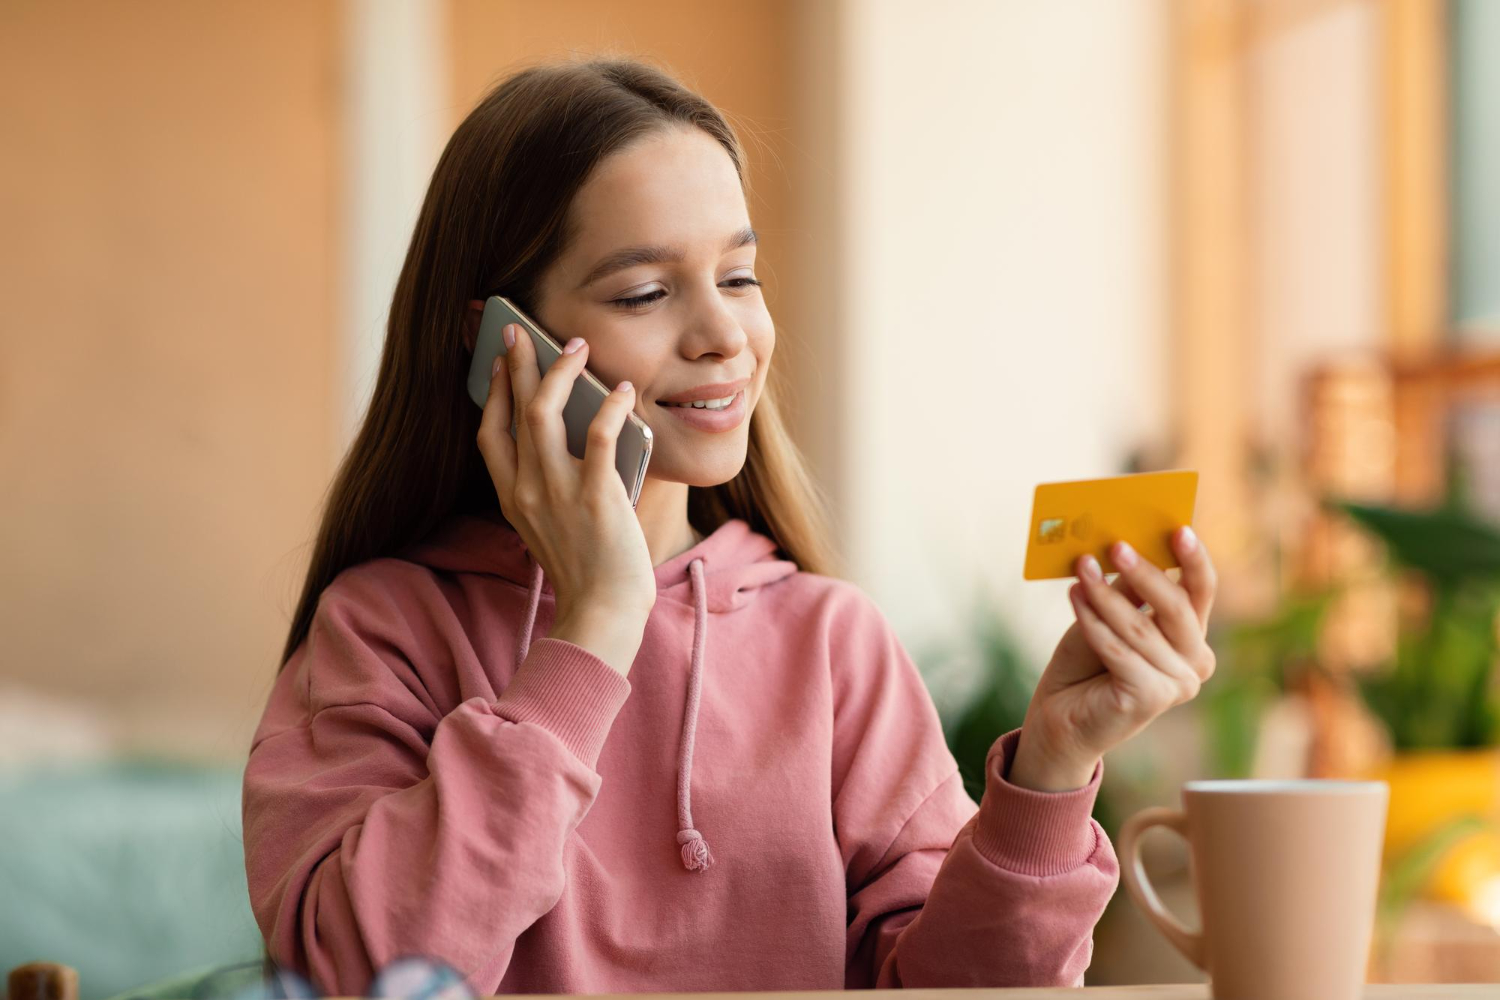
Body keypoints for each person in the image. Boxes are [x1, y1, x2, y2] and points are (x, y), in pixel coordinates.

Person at [240, 56, 1218, 997]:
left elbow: (953, 994)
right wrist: (595, 629)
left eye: (739, 276)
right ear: (498, 340)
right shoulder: (383, 631)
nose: (723, 335)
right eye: (645, 291)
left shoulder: (833, 646)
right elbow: (356, 980)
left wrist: (1051, 766)